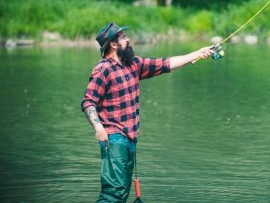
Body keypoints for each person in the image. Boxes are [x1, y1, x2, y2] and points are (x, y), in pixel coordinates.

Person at [81, 22, 216, 202]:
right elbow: (88, 101)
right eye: (123, 37)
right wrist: (98, 128)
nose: (128, 39)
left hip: (130, 137)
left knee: (122, 192)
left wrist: (198, 53)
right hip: (113, 138)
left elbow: (166, 63)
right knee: (113, 192)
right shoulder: (103, 69)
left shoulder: (133, 64)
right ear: (113, 44)